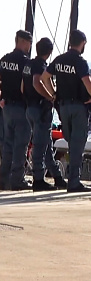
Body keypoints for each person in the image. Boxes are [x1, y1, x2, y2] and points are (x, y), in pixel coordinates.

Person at [42, 30, 91, 193]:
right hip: (78, 107)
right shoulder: (80, 61)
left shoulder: (59, 60)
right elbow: (87, 82)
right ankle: (74, 181)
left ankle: (72, 179)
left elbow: (45, 77)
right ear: (82, 43)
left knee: (70, 141)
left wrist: (52, 93)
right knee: (77, 144)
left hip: (63, 107)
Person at [22, 38, 68, 191]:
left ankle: (57, 177)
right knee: (40, 146)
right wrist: (50, 96)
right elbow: (37, 82)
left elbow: (23, 87)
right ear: (49, 52)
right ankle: (39, 179)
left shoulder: (28, 64)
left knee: (46, 145)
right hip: (41, 110)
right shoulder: (40, 66)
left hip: (30, 108)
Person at [0, 30, 33, 191]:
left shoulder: (4, 60)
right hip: (21, 106)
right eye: (29, 43)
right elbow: (26, 84)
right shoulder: (25, 62)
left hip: (6, 107)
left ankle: (4, 178)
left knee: (7, 144)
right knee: (21, 144)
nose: (29, 47)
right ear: (23, 42)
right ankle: (18, 179)